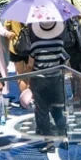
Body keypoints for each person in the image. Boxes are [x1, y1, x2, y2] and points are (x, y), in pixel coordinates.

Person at [15, 16, 69, 151]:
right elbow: (66, 59)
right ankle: (64, 136)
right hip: (55, 80)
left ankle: (49, 143)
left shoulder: (36, 45)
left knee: (42, 112)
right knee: (57, 110)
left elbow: (30, 65)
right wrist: (60, 71)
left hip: (40, 81)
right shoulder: (59, 43)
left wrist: (28, 81)